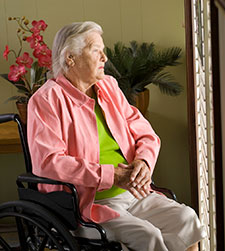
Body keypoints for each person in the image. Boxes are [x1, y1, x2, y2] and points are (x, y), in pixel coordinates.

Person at [27, 21, 206, 251]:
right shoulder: (47, 100)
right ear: (70, 57)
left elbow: (145, 132)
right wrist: (110, 175)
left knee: (186, 218)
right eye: (96, 50)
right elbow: (48, 162)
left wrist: (143, 161)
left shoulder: (108, 86)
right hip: (87, 204)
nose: (105, 58)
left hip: (134, 193)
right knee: (147, 235)